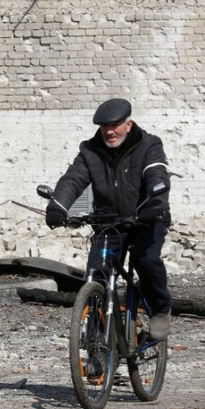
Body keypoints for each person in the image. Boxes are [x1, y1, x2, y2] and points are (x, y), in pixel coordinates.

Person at [45, 98, 172, 340]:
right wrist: (58, 207)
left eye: (115, 126)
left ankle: (160, 310)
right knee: (96, 276)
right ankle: (95, 347)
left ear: (128, 124)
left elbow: (156, 173)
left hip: (146, 218)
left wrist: (155, 202)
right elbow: (73, 180)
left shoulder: (149, 145)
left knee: (146, 262)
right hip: (109, 222)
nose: (110, 132)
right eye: (105, 127)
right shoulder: (90, 151)